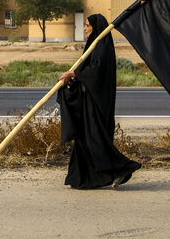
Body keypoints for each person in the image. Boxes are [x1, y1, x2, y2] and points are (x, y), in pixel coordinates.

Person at [57, 13, 140, 189]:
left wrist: (74, 74)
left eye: (88, 25)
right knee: (84, 140)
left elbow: (96, 73)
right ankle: (85, 177)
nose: (85, 28)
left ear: (96, 28)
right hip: (88, 100)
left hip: (96, 103)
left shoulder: (102, 46)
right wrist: (73, 80)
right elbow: (86, 72)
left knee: (95, 140)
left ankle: (123, 168)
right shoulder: (93, 46)